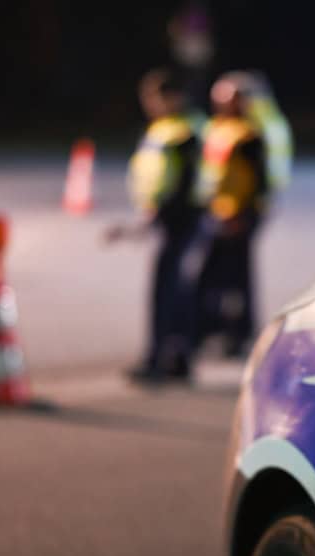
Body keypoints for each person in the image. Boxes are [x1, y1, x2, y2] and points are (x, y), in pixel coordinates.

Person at [121, 68, 203, 382]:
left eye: (154, 98)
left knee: (166, 289)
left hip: (180, 218)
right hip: (171, 216)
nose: (150, 104)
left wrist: (160, 213)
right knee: (177, 288)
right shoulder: (168, 127)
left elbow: (188, 181)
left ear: (173, 97)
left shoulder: (184, 131)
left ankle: (158, 360)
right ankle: (178, 359)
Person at [194, 75, 268, 357]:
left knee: (238, 279)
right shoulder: (215, 129)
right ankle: (209, 330)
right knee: (209, 276)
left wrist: (246, 213)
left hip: (239, 214)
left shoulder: (249, 134)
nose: (226, 102)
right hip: (214, 211)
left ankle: (238, 335)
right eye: (222, 96)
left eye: (232, 97)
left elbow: (259, 181)